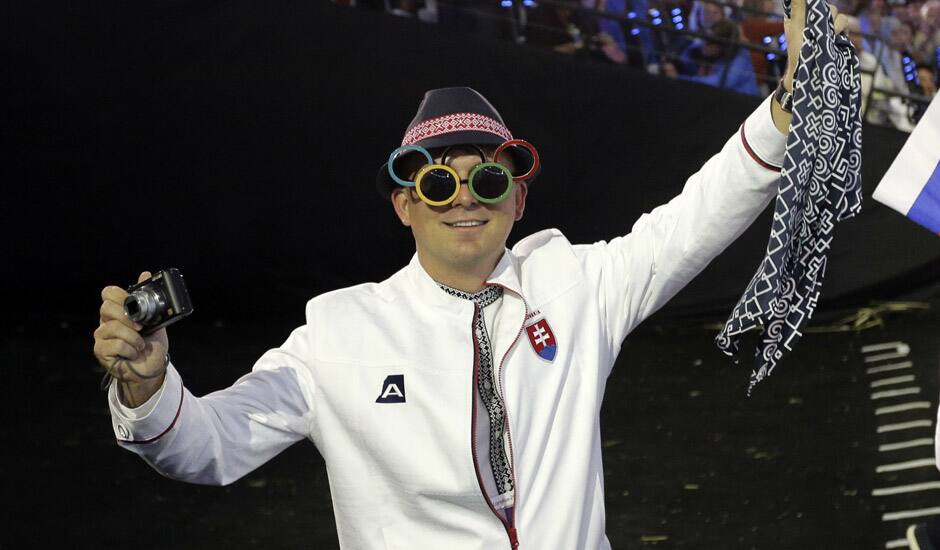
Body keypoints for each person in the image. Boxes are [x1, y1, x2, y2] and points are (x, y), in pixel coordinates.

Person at [94, 2, 891, 548]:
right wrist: (146, 387)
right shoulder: (339, 333)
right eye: (439, 184)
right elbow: (205, 447)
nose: (463, 200)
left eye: (486, 181)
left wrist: (789, 103)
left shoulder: (575, 286)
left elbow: (696, 217)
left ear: (517, 200)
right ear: (405, 205)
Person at [663, 19, 762, 96]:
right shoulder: (717, 53)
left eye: (709, 43)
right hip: (725, 100)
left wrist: (679, 78)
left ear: (720, 46)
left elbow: (721, 82)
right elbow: (688, 56)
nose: (704, 46)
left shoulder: (741, 57)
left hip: (744, 104)